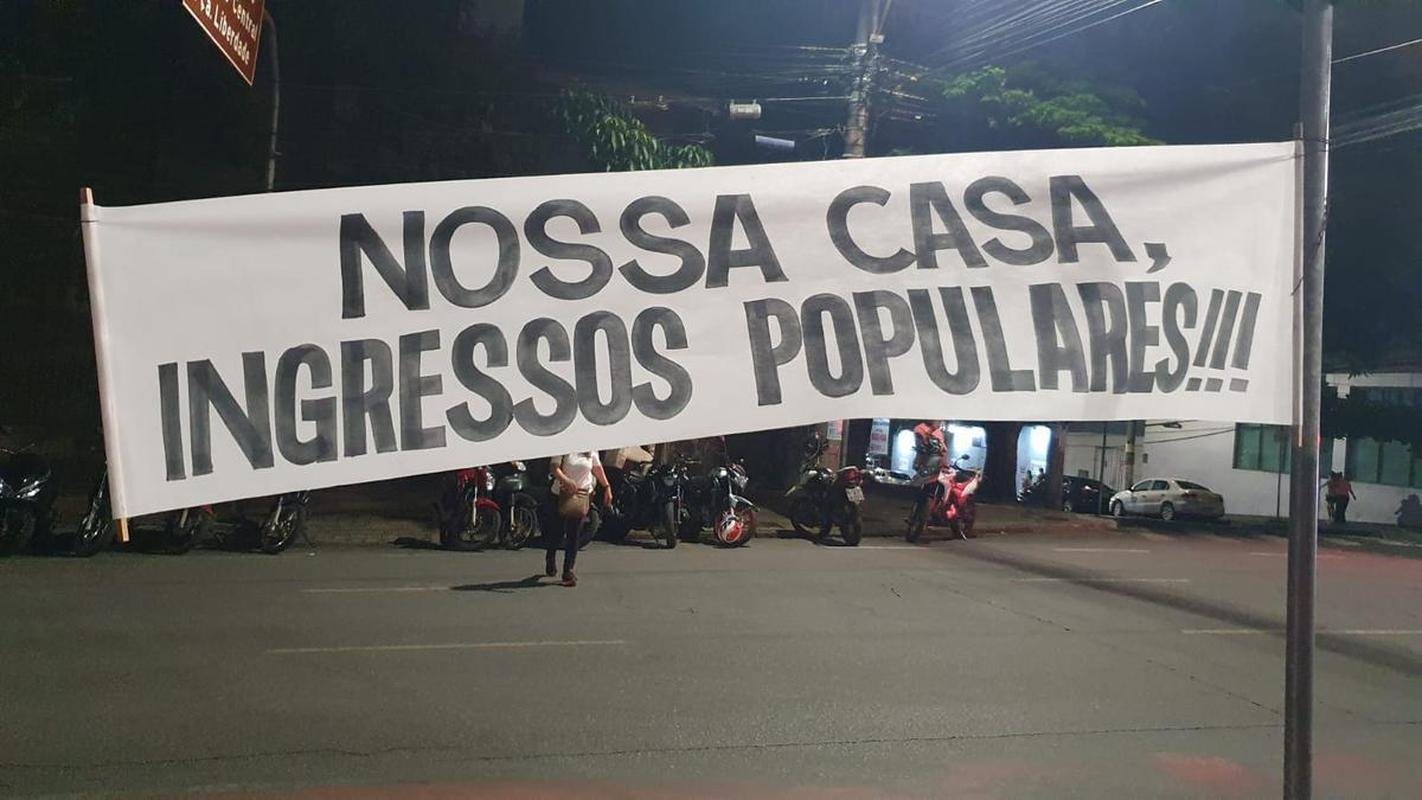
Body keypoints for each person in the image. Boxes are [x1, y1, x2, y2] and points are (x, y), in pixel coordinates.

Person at [547, 451, 612, 587]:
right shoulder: (563, 445)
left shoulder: (591, 448)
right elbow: (554, 467)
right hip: (561, 495)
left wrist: (606, 487)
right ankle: (550, 557)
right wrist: (566, 480)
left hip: (581, 496)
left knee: (574, 534)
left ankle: (568, 570)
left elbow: (596, 468)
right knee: (557, 532)